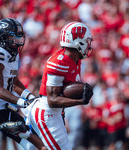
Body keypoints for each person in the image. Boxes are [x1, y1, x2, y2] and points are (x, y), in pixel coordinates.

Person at [19, 22, 93, 150]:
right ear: (78, 42)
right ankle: (22, 135)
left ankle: (24, 135)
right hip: (47, 112)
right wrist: (80, 100)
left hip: (55, 112)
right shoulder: (59, 62)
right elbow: (52, 100)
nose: (89, 44)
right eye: (86, 41)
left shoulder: (76, 59)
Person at [0, 18, 44, 150]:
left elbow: (13, 81)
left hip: (6, 110)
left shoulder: (13, 53)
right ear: (2, 38)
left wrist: (29, 97)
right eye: (13, 37)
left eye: (19, 37)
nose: (18, 41)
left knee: (32, 145)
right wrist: (22, 102)